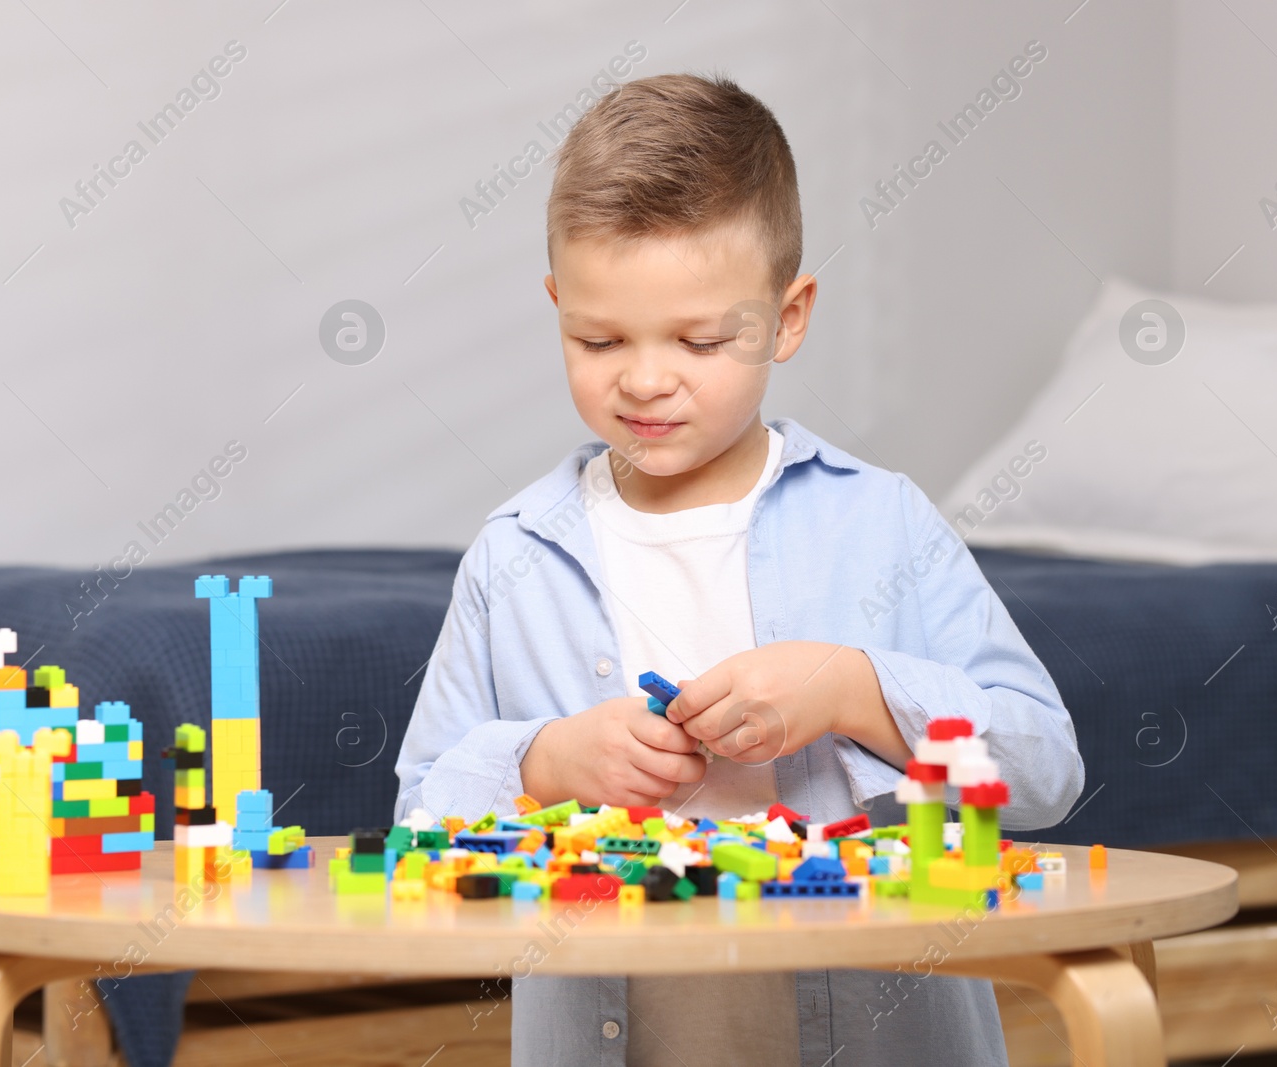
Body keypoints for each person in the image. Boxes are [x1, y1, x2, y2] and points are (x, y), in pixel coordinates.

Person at [393, 71, 1083, 1066]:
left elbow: (1045, 765)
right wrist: (543, 765)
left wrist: (854, 689)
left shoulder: (880, 521)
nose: (643, 376)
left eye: (700, 338)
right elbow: (417, 819)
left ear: (787, 317)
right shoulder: (516, 554)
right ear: (556, 308)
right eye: (598, 337)